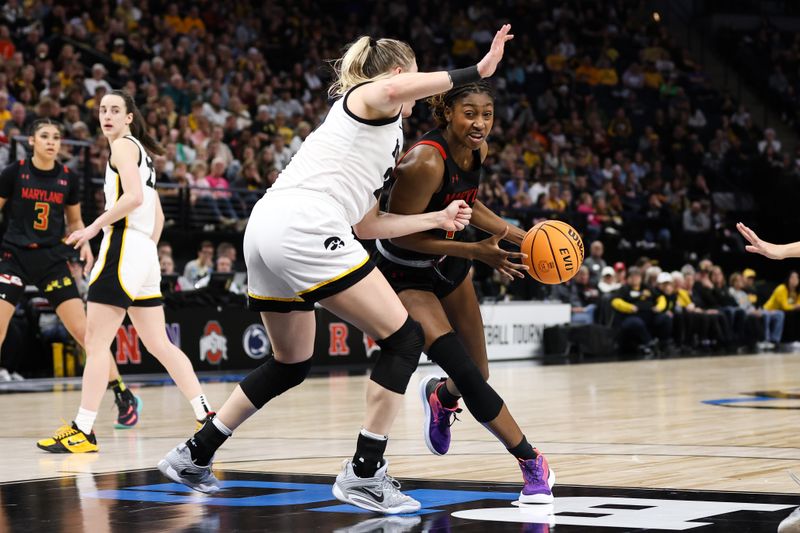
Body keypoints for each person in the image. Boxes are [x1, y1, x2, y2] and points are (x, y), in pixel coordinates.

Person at [158, 26, 513, 514]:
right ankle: (365, 473)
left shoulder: (380, 134)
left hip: (269, 227)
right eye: (413, 75)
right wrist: (477, 71)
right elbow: (391, 89)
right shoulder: (370, 98)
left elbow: (368, 224)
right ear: (399, 74)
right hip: (306, 223)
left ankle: (194, 453)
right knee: (404, 338)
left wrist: (436, 217)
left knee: (291, 361)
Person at [374, 81, 555, 503]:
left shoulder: (479, 151)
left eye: (487, 114)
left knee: (478, 372)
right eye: (469, 113)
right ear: (447, 114)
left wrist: (517, 234)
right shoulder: (425, 162)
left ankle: (441, 397)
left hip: (450, 263)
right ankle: (531, 461)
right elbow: (400, 236)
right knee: (468, 372)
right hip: (406, 273)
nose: (480, 123)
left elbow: (468, 203)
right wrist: (476, 249)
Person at [37, 90, 214, 453]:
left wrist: (92, 228)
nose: (108, 115)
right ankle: (205, 414)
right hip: (144, 252)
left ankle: (83, 430)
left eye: (115, 110)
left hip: (123, 246)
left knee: (96, 342)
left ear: (129, 117)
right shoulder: (141, 152)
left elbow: (131, 197)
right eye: (103, 109)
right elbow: (157, 214)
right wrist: (144, 250)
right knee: (160, 344)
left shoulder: (121, 147)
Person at [0, 119, 139, 425]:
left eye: (56, 137)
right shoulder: (14, 172)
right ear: (32, 142)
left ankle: (123, 394)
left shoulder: (68, 177)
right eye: (45, 136)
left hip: (51, 259)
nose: (52, 142)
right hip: (14, 257)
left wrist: (85, 242)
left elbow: (74, 222)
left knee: (85, 333)